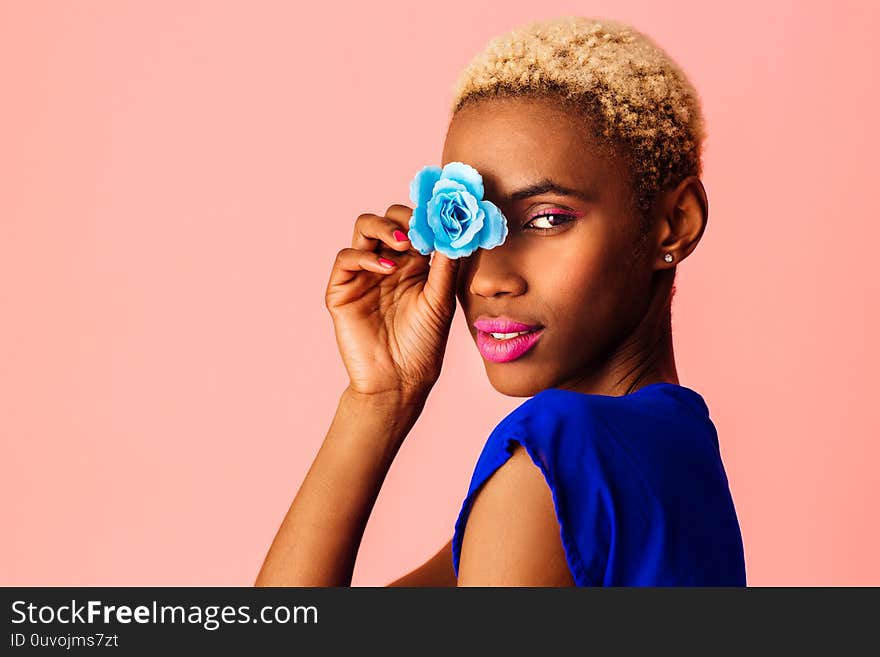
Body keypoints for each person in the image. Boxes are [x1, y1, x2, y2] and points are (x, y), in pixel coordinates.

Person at [254, 16, 746, 587]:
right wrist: (380, 397)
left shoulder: (558, 455)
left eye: (547, 219)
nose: (487, 278)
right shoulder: (670, 455)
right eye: (469, 226)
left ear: (673, 223)